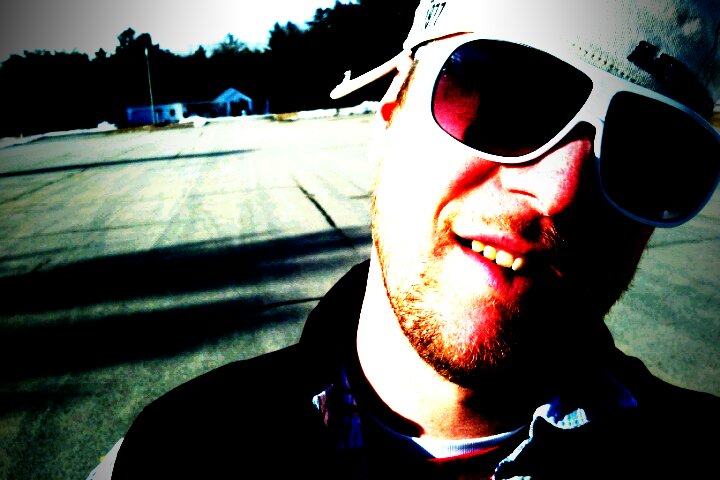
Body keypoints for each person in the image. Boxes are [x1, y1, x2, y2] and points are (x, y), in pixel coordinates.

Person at [96, 0, 720, 478]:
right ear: (392, 111)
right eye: (511, 101)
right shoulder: (169, 456)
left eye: (649, 152)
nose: (561, 190)